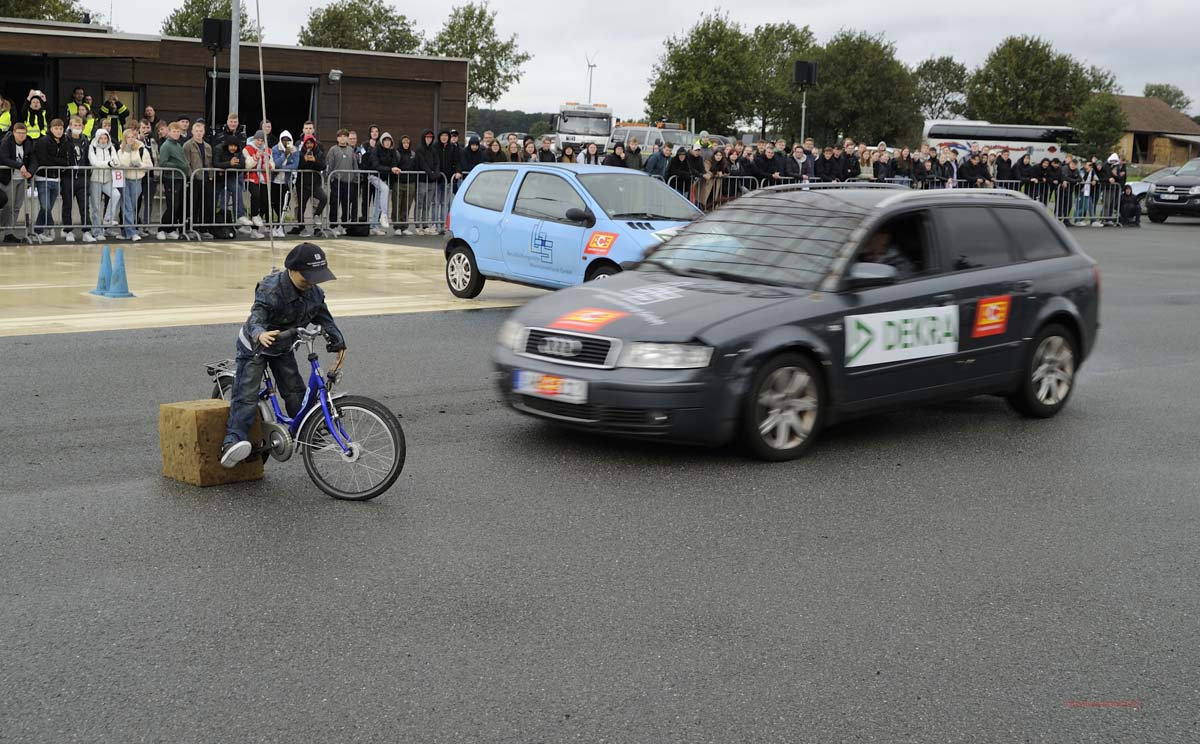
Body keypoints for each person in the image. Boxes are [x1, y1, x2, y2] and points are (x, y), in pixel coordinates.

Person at [220, 242, 345, 468]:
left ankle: (306, 431)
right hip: (256, 346)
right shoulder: (271, 288)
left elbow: (324, 318)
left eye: (316, 277)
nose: (312, 282)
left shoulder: (315, 293)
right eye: (307, 277)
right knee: (247, 394)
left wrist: (337, 340)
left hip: (283, 346)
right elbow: (256, 316)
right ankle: (232, 441)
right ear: (292, 270)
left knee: (295, 390)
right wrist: (260, 334)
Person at [31, 117, 70, 242]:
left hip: (56, 179)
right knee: (45, 207)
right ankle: (50, 227)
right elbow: (43, 160)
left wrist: (54, 161)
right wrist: (57, 162)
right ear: (51, 129)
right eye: (56, 128)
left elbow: (66, 162)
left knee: (46, 209)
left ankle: (37, 232)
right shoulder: (43, 141)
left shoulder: (65, 141)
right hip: (43, 178)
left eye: (61, 128)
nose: (58, 131)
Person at [115, 128, 152, 241]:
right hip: (124, 180)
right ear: (125, 139)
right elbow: (121, 164)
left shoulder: (142, 149)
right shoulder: (120, 151)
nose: (131, 139)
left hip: (137, 180)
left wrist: (139, 165)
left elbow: (149, 165)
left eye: (133, 137)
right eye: (128, 137)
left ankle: (126, 232)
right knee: (127, 206)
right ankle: (131, 231)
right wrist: (127, 151)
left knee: (132, 206)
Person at [0, 122, 33, 243]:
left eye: (24, 133)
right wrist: (20, 166)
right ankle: (2, 227)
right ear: (14, 132)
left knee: (17, 207)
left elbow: (33, 159)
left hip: (22, 179)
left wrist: (30, 172)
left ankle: (8, 232)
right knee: (8, 206)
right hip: (9, 178)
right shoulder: (6, 142)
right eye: (19, 133)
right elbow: (4, 158)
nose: (21, 135)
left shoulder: (28, 143)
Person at [61, 115, 91, 242]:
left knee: (84, 206)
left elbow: (88, 158)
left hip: (82, 177)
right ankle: (68, 230)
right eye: (75, 125)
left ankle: (86, 231)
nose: (77, 127)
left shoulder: (85, 140)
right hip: (68, 178)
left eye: (79, 125)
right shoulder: (64, 140)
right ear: (70, 126)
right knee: (67, 205)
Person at [184, 120, 216, 239]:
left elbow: (210, 163)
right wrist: (191, 176)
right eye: (196, 131)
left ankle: (203, 229)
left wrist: (211, 175)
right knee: (193, 204)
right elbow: (186, 163)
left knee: (206, 204)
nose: (198, 133)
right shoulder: (187, 145)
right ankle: (190, 228)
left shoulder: (208, 146)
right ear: (192, 132)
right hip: (194, 179)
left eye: (201, 131)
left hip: (206, 179)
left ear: (203, 132)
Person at [87, 127, 120, 240]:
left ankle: (107, 219)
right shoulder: (92, 147)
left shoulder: (111, 147)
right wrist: (108, 164)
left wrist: (113, 163)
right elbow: (94, 162)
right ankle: (97, 231)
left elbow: (116, 161)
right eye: (101, 138)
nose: (103, 140)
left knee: (116, 195)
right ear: (97, 138)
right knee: (96, 207)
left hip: (107, 179)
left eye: (105, 138)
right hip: (95, 179)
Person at [156, 121, 187, 240]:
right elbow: (163, 162)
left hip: (180, 178)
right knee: (172, 205)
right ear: (169, 132)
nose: (176, 133)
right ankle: (162, 229)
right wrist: (178, 166)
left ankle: (171, 229)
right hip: (170, 178)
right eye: (174, 131)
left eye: (178, 131)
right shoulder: (166, 146)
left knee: (177, 205)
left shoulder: (178, 145)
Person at [296, 134, 328, 237]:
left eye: (311, 143)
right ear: (304, 144)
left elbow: (323, 166)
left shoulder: (319, 153)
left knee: (324, 198)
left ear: (314, 143)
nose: (309, 145)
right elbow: (297, 166)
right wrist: (304, 160)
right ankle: (302, 228)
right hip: (302, 184)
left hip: (315, 184)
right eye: (307, 143)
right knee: (302, 207)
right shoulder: (300, 153)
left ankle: (317, 215)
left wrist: (315, 160)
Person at [243, 129, 274, 237]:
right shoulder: (247, 149)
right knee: (255, 196)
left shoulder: (268, 150)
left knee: (265, 202)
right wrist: (256, 157)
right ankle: (255, 218)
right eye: (258, 140)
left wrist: (269, 165)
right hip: (251, 178)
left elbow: (272, 164)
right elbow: (247, 165)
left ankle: (256, 226)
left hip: (264, 179)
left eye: (262, 140)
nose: (260, 142)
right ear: (254, 139)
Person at [269, 130, 298, 236]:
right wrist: (284, 156)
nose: (286, 142)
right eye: (284, 140)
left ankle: (280, 226)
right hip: (275, 180)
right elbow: (276, 164)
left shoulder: (294, 149)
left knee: (284, 204)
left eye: (288, 140)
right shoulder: (275, 149)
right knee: (274, 203)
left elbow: (295, 165)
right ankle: (275, 225)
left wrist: (283, 167)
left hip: (287, 181)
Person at [394, 134, 418, 235]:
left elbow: (415, 166)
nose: (406, 144)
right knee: (397, 205)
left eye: (407, 142)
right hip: (399, 182)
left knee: (407, 205)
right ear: (401, 143)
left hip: (410, 183)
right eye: (404, 142)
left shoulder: (413, 154)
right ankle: (397, 226)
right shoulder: (397, 153)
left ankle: (404, 226)